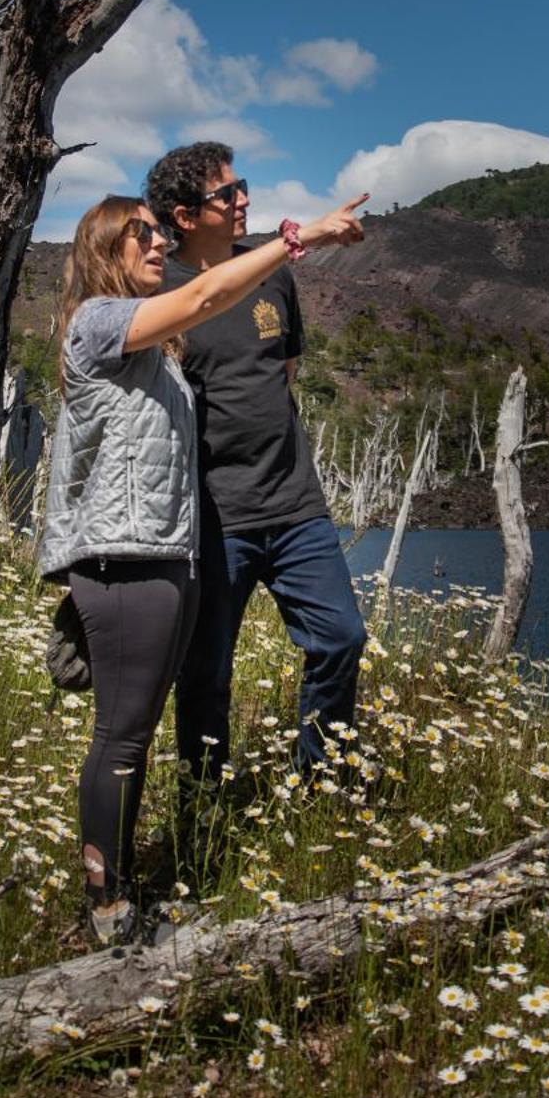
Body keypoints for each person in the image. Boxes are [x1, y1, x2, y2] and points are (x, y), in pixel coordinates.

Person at [36, 188, 367, 948]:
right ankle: (110, 906)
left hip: (160, 553)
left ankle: (129, 890)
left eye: (158, 233)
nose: (156, 244)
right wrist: (302, 236)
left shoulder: (153, 346)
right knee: (123, 736)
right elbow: (207, 290)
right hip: (126, 558)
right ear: (102, 252)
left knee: (137, 726)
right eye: (140, 235)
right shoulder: (100, 323)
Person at [144, 143, 369, 793]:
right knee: (206, 668)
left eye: (243, 185)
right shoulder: (159, 289)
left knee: (340, 639)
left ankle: (321, 780)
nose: (244, 198)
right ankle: (203, 798)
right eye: (228, 192)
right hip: (214, 516)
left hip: (296, 504)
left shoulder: (272, 276)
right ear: (185, 216)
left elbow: (284, 372)